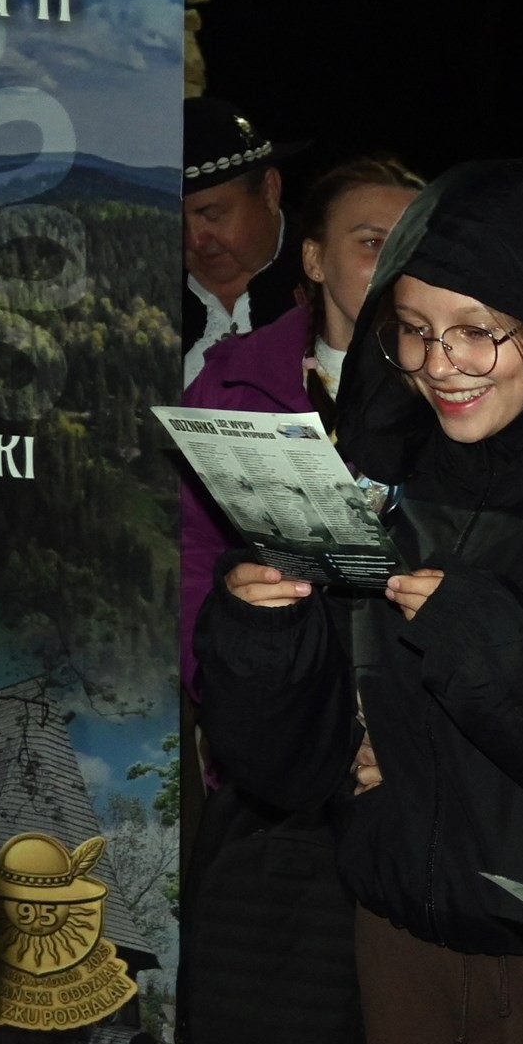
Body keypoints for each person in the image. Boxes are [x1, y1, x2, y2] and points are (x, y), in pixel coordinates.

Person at [194, 159, 523, 1044]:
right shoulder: (377, 491)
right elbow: (289, 771)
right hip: (401, 957)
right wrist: (261, 633)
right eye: (414, 330)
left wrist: (479, 640)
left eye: (476, 331)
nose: (439, 363)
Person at [180, 154, 423, 702]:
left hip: (411, 708)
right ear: (315, 260)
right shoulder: (235, 384)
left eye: (416, 244)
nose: (398, 263)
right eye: (372, 242)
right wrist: (213, 672)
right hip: (269, 700)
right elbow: (189, 544)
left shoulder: (461, 387)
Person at [182, 96, 310, 385]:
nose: (194, 240)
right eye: (176, 222)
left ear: (269, 192)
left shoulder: (331, 286)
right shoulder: (147, 302)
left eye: (213, 215)